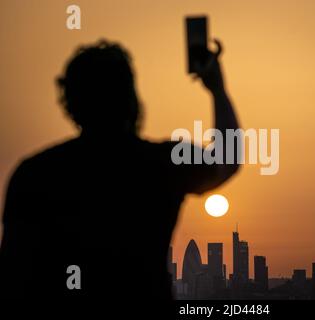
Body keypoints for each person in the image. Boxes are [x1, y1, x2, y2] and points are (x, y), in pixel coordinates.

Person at [0, 39, 240, 299]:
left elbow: (13, 278)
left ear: (70, 102)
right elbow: (227, 160)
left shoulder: (35, 176)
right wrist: (217, 89)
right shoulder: (160, 164)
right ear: (131, 99)